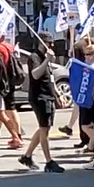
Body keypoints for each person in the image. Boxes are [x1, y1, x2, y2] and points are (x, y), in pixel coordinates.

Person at [18, 33, 64, 173]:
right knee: (44, 129)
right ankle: (49, 161)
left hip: (48, 95)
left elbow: (49, 77)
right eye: (49, 43)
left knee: (44, 127)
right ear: (41, 43)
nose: (51, 46)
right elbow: (35, 74)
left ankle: (27, 156)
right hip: (40, 97)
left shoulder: (45, 58)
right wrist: (47, 60)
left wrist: (57, 93)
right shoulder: (35, 57)